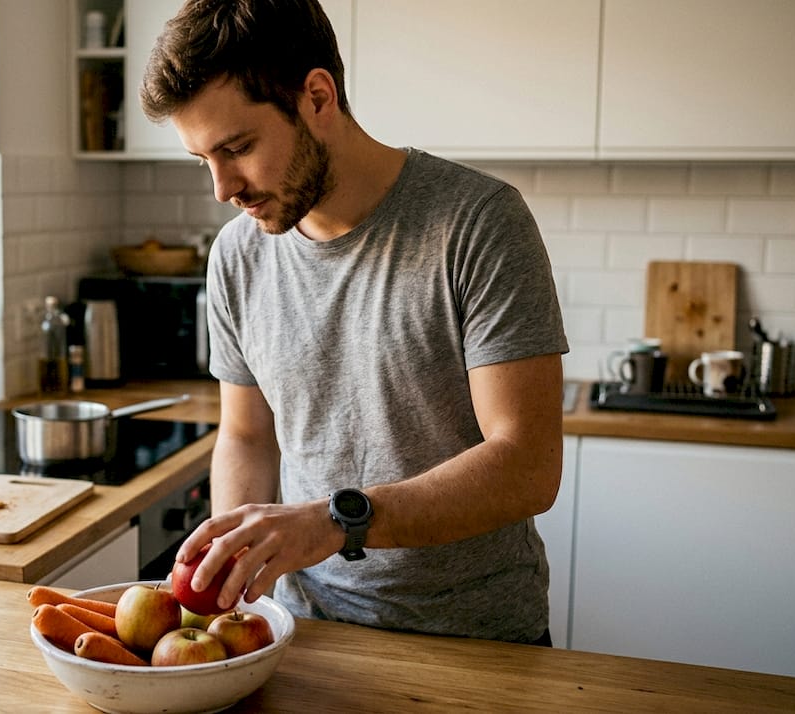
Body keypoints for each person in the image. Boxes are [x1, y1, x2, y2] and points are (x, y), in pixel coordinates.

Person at [140, 0, 568, 645]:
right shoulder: (237, 253)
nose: (223, 187)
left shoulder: (478, 221)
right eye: (204, 159)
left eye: (238, 148)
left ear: (317, 97)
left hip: (477, 638)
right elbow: (249, 436)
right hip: (306, 631)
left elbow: (527, 466)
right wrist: (230, 567)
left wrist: (335, 523)